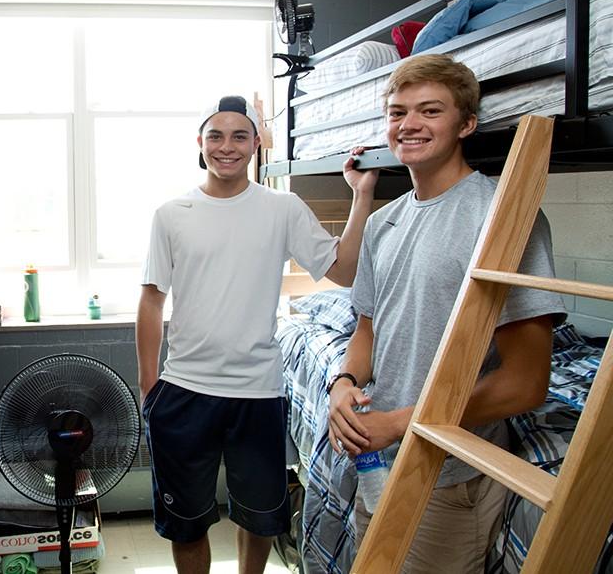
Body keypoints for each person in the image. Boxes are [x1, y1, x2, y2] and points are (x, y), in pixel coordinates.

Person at [327, 54, 565, 573]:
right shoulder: (383, 222)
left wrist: (403, 423)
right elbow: (368, 328)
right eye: (397, 112)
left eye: (429, 111)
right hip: (377, 459)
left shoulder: (501, 217)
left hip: (450, 474)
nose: (408, 124)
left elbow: (526, 383)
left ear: (466, 124)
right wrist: (343, 382)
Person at [137, 94, 378, 574]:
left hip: (258, 392)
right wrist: (149, 389)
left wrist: (361, 194)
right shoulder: (172, 214)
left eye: (239, 136)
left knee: (261, 517)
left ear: (255, 145)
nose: (227, 146)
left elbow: (346, 270)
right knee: (186, 522)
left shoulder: (282, 208)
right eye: (216, 136)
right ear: (201, 143)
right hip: (184, 391)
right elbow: (151, 300)